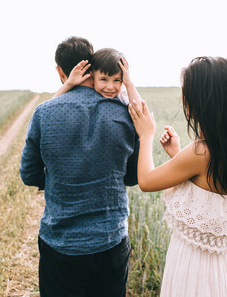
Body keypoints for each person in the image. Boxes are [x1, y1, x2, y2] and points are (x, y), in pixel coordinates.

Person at [127, 56, 227, 297]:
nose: (183, 101)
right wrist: (177, 155)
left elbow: (146, 181)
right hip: (221, 270)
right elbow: (207, 188)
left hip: (193, 267)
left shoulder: (200, 152)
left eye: (186, 94)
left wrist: (146, 135)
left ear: (203, 102)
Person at [19, 36, 140, 296]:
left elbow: (28, 174)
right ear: (93, 66)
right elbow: (132, 177)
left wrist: (54, 179)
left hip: (60, 244)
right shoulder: (127, 114)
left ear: (60, 71)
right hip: (111, 242)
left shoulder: (44, 112)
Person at [53, 47, 141, 106]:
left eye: (117, 80)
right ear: (92, 78)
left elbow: (140, 111)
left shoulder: (122, 91)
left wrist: (128, 83)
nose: (110, 87)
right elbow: (52, 103)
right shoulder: (89, 90)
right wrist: (69, 83)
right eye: (104, 79)